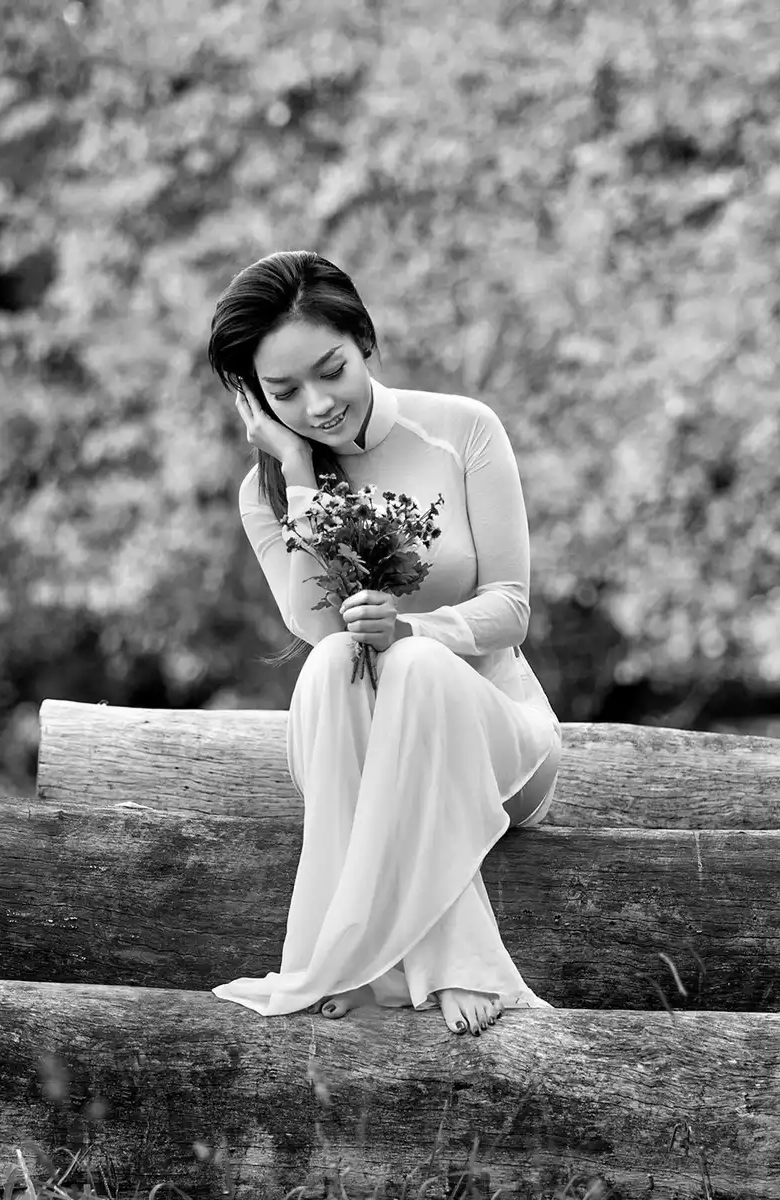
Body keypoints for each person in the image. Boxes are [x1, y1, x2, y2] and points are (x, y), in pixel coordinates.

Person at [206, 250, 561, 1037]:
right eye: (284, 392)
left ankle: (445, 961)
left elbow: (511, 607)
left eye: (330, 369)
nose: (318, 404)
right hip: (363, 752)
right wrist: (297, 472)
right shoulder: (266, 491)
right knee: (337, 660)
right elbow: (318, 626)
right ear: (255, 401)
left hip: (502, 739)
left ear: (363, 338)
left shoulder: (462, 430)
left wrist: (413, 630)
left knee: (419, 664)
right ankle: (385, 962)